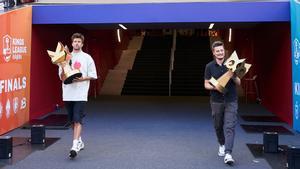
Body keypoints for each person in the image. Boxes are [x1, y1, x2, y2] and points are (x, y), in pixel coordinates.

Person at [59, 33, 97, 158]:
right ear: (72, 43)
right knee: (71, 121)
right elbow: (61, 77)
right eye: (75, 41)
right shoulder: (65, 58)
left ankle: (74, 145)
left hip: (80, 94)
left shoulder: (87, 58)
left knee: (77, 119)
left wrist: (79, 79)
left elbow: (92, 75)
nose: (76, 43)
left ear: (82, 44)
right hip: (68, 94)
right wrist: (65, 66)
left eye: (79, 42)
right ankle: (79, 141)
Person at [204, 41, 241, 165]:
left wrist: (233, 75)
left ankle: (228, 153)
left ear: (224, 51)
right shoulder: (209, 66)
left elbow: (239, 82)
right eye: (217, 51)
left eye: (221, 50)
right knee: (218, 125)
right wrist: (216, 87)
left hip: (231, 100)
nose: (220, 52)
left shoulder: (232, 64)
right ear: (214, 53)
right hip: (216, 101)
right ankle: (222, 143)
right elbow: (206, 84)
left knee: (230, 126)